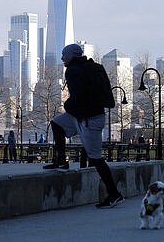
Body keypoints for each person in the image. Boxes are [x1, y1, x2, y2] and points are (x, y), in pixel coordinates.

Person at [43, 43, 125, 208]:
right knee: (57, 123)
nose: (62, 58)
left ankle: (114, 194)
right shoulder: (93, 67)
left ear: (71, 56)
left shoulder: (73, 71)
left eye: (64, 55)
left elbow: (78, 96)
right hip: (87, 116)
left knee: (96, 158)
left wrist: (67, 106)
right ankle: (61, 162)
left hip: (88, 119)